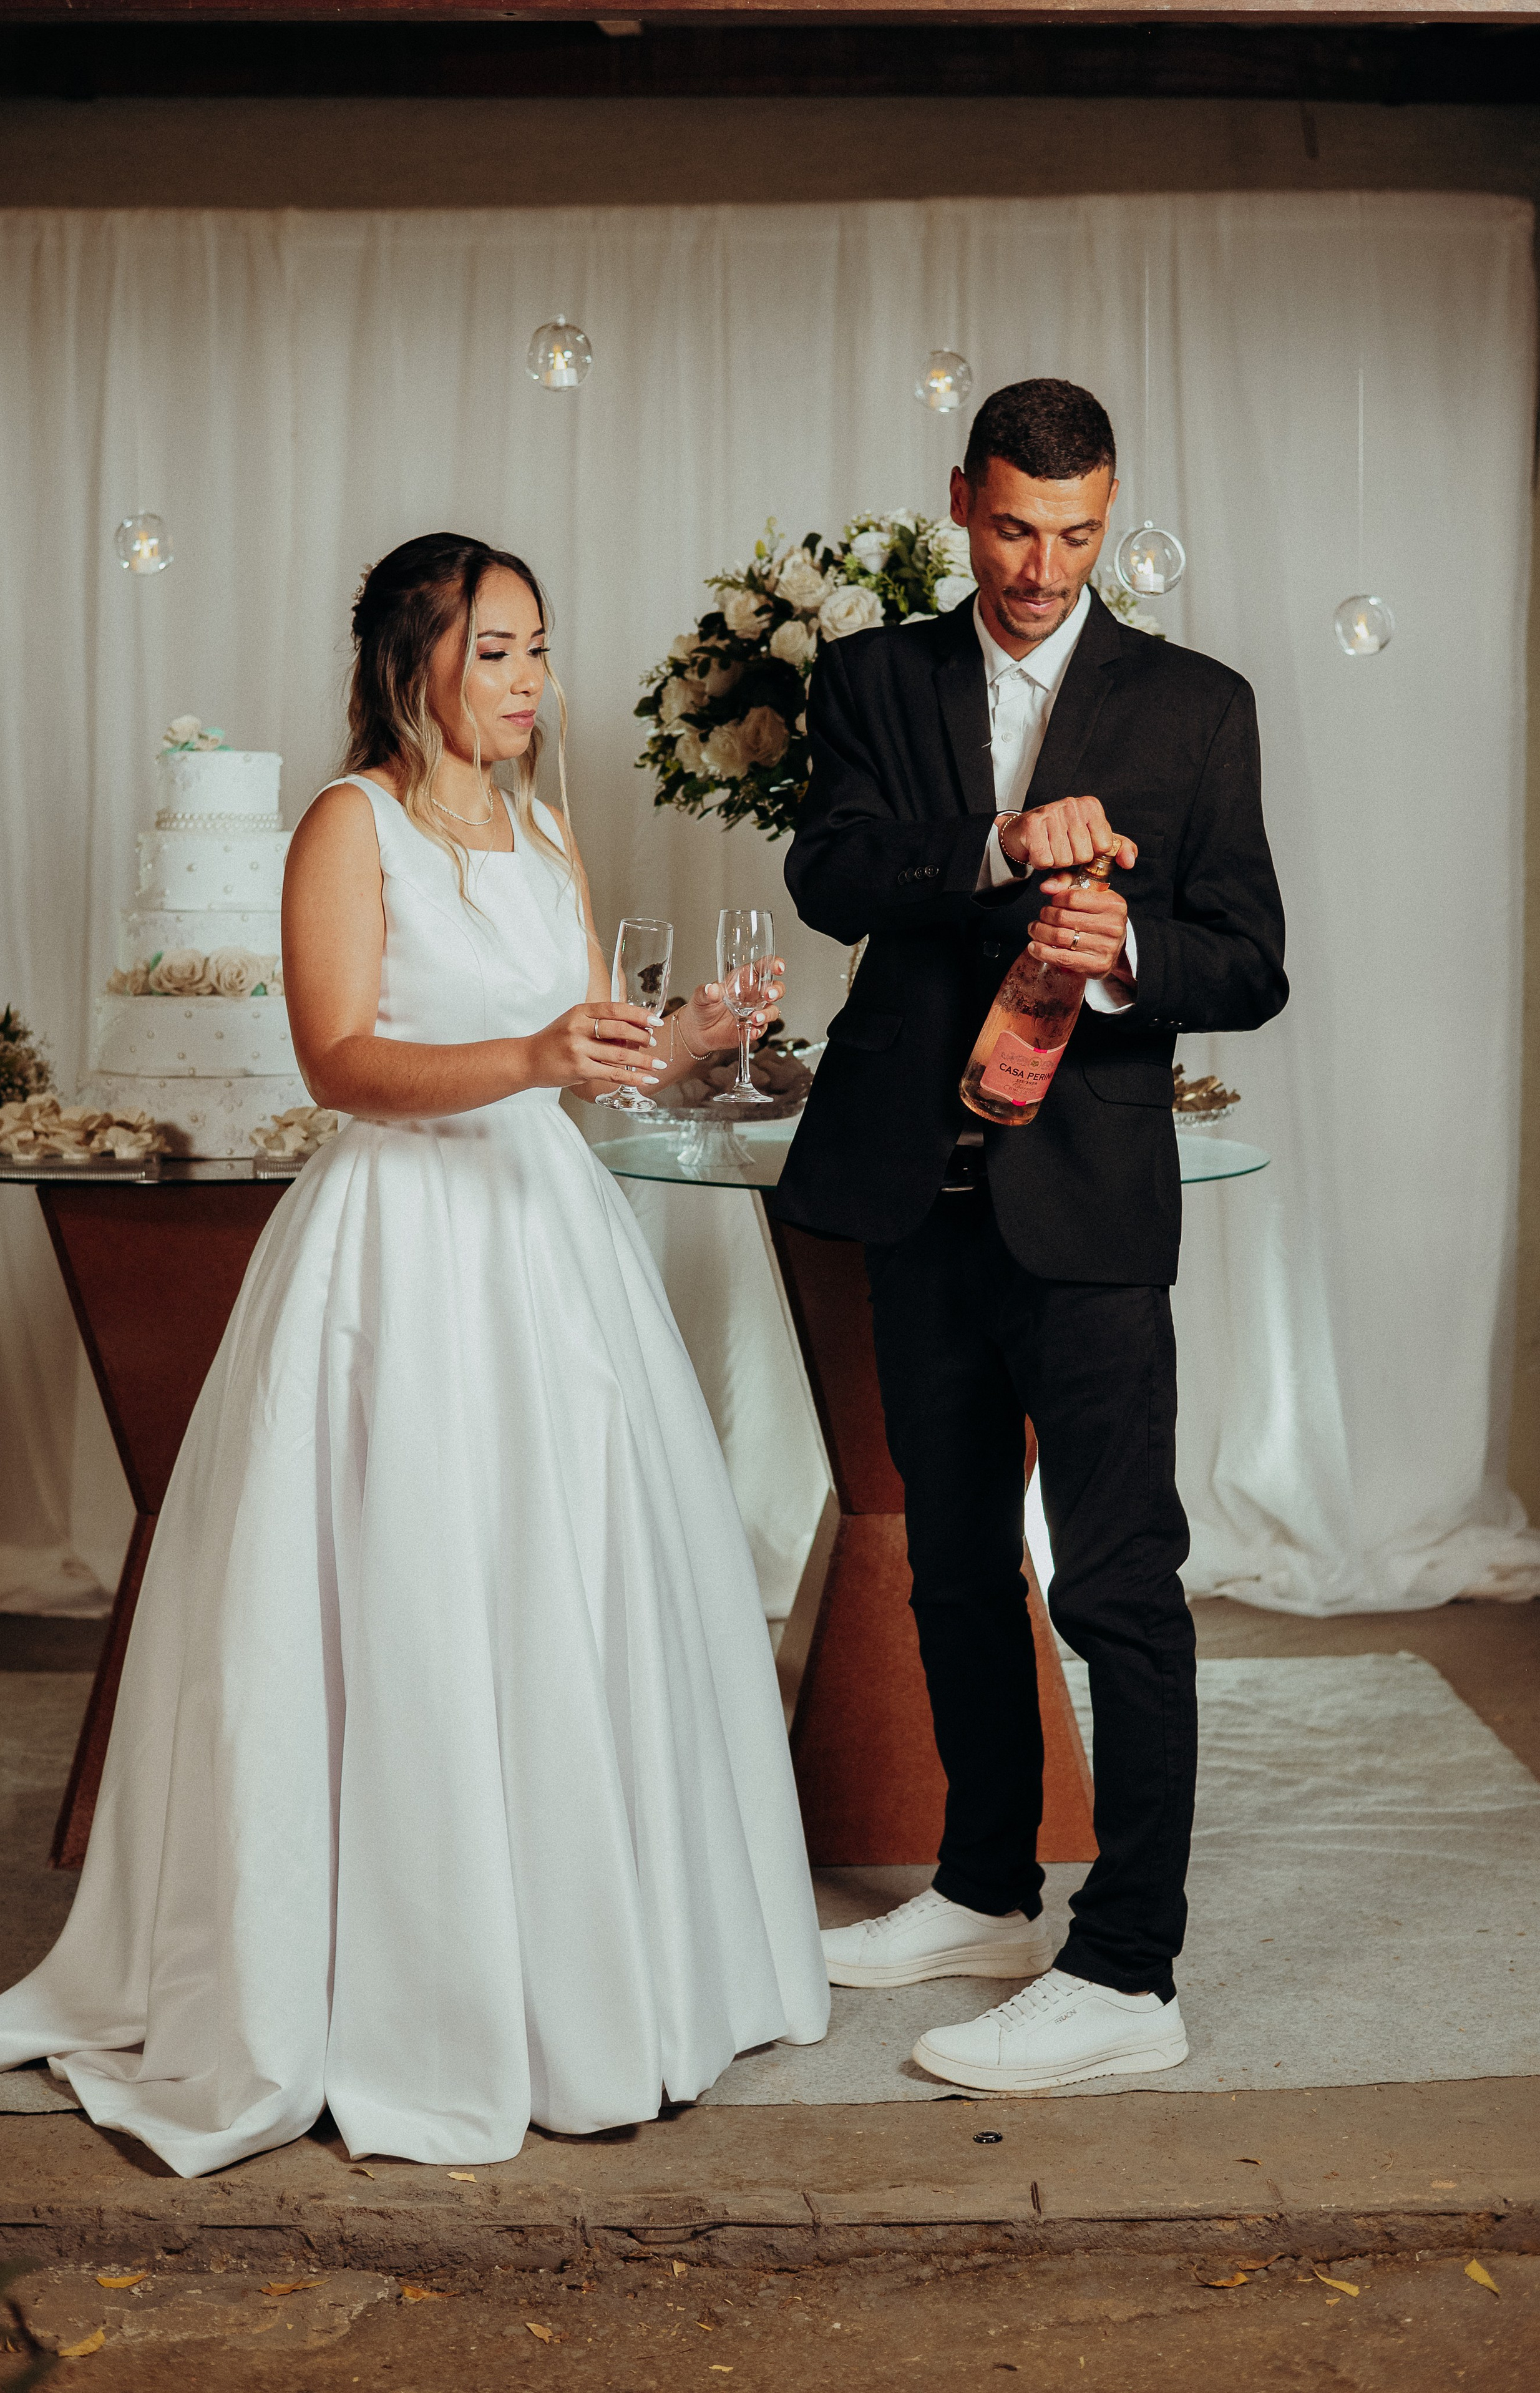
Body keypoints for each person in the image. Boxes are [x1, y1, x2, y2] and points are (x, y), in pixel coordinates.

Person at [0, 533, 829, 2173]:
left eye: (539, 648)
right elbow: (340, 1060)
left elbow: (590, 1060)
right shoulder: (346, 825)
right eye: (498, 650)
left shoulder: (547, 829)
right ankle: (399, 1985)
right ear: (413, 661)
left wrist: (692, 1037)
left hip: (548, 1240)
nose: (531, 679)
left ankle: (586, 1975)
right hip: (402, 1252)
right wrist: (536, 1051)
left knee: (561, 1579)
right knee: (408, 1587)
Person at [772, 380, 1287, 2093]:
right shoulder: (872, 676)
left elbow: (1253, 960)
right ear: (959, 502)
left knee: (1119, 1580)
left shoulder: (1198, 706)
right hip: (909, 1188)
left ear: (1108, 517)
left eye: (1076, 534)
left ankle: (1129, 1970)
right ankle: (989, 1891)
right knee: (951, 1558)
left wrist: (1125, 945)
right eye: (1012, 528)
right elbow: (834, 876)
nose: (1043, 568)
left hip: (1090, 1203)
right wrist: (997, 844)